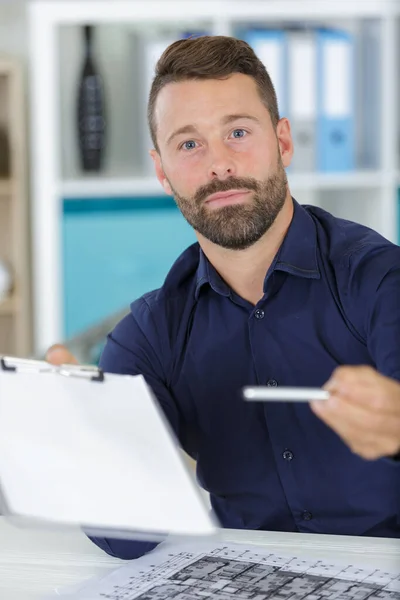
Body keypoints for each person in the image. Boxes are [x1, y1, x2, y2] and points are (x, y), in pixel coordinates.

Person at [47, 35, 400, 559]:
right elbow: (127, 540)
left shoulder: (377, 279)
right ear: (162, 171)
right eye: (189, 144)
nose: (218, 165)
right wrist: (81, 437)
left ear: (282, 142)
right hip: (245, 579)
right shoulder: (151, 333)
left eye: (237, 132)